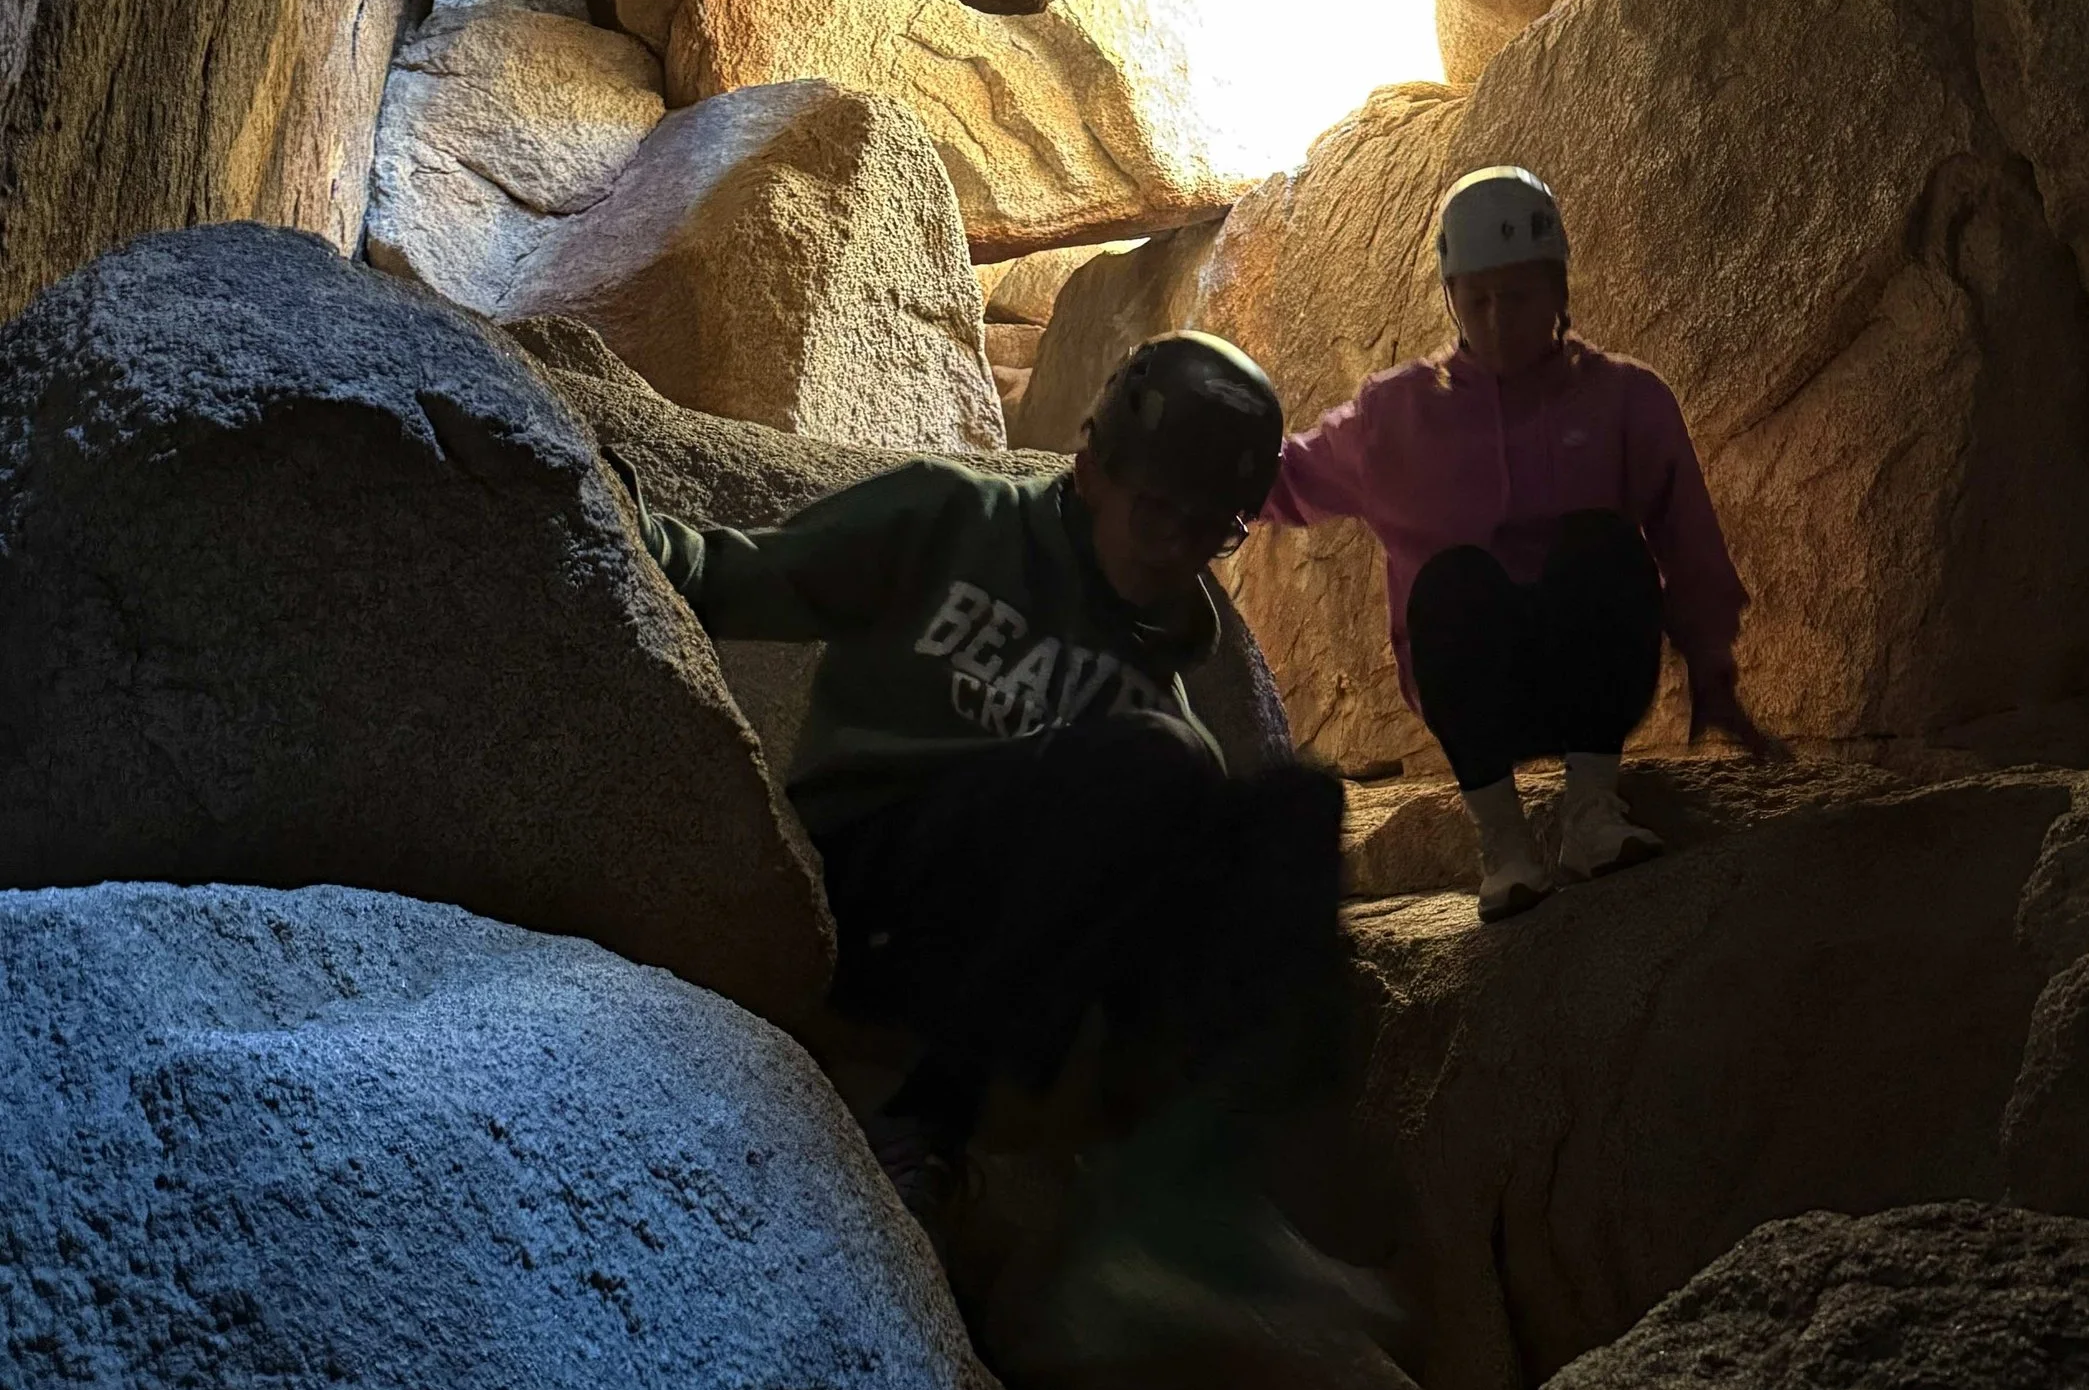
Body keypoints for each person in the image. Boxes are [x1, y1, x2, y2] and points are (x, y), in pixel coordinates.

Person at [632, 333, 1349, 1167]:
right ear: (1092, 468)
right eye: (1157, 510)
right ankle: (927, 1124)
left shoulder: (1166, 723)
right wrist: (602, 507)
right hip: (861, 888)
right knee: (1163, 765)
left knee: (1300, 811)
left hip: (998, 957)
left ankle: (1194, 1202)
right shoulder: (948, 521)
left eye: (1207, 529)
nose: (1175, 550)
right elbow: (734, 574)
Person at [1262, 165, 1774, 922]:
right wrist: (1181, 468)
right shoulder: (1395, 414)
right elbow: (1287, 477)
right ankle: (1503, 843)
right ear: (1453, 299)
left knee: (1603, 544)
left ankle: (1592, 814)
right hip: (1474, 695)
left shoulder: (1625, 399)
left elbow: (1687, 537)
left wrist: (1712, 664)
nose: (1499, 319)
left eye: (1521, 296)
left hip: (1592, 676)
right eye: (1480, 299)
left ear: (1560, 289)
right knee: (1453, 582)